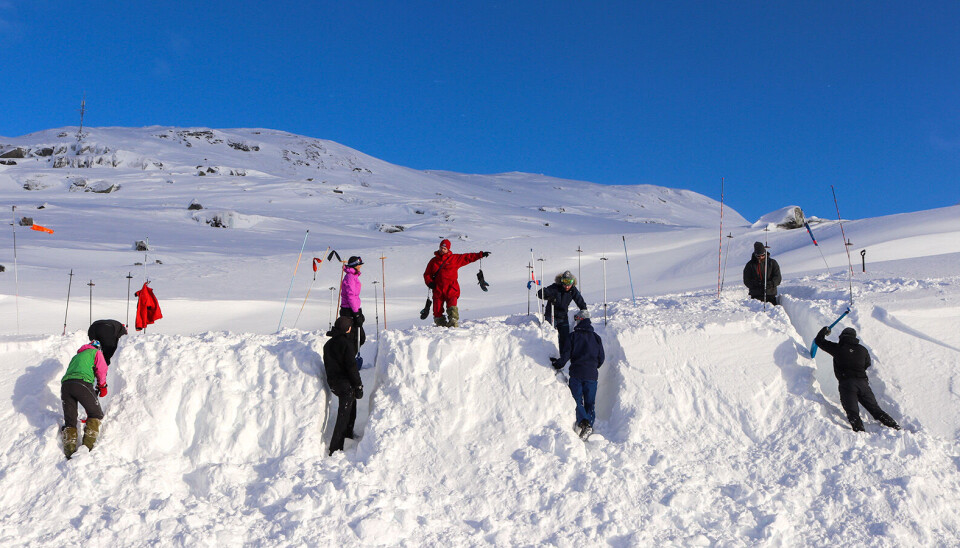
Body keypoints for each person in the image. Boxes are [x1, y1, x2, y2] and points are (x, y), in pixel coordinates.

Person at [814, 326, 901, 432]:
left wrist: (824, 331)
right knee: (875, 409)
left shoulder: (838, 348)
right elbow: (867, 364)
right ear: (854, 337)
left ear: (842, 337)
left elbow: (819, 341)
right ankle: (895, 427)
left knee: (852, 412)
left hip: (847, 384)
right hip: (863, 383)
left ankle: (860, 433)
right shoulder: (863, 350)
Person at [423, 239, 489, 327]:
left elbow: (468, 257)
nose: (442, 249)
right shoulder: (433, 261)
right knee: (437, 310)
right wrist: (429, 282)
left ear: (448, 249)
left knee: (452, 307)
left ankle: (453, 324)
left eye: (444, 248)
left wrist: (481, 255)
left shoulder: (455, 259)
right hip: (438, 288)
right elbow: (427, 274)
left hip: (451, 288)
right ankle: (440, 326)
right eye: (441, 247)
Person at [60, 339, 109, 458]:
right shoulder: (96, 353)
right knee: (96, 414)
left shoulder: (76, 356)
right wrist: (102, 385)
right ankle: (86, 450)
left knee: (70, 421)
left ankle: (69, 453)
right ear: (97, 348)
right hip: (81, 383)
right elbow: (102, 369)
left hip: (66, 386)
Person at [323, 316, 364, 455]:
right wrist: (358, 386)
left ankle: (348, 433)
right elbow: (351, 368)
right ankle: (335, 448)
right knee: (343, 415)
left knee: (351, 406)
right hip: (344, 385)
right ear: (348, 329)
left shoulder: (328, 345)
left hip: (333, 383)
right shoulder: (346, 344)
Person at [565, 310, 604, 440]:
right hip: (592, 375)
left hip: (576, 374)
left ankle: (583, 423)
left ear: (579, 320)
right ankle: (589, 426)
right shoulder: (596, 337)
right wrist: (593, 367)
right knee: (590, 402)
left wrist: (557, 364)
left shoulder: (573, 336)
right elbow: (601, 358)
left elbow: (566, 355)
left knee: (576, 400)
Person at [537, 270, 588, 367]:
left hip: (563, 316)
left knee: (565, 338)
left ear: (572, 282)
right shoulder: (555, 287)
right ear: (561, 281)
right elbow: (540, 293)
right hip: (551, 314)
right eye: (565, 283)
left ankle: (563, 360)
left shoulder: (573, 290)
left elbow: (579, 300)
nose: (567, 286)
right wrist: (546, 295)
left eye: (569, 283)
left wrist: (584, 310)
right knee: (549, 334)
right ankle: (549, 358)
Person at [339, 256, 366, 360]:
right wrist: (356, 313)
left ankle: (349, 360)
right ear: (355, 266)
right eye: (359, 265)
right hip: (349, 312)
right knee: (354, 338)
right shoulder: (350, 277)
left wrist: (358, 311)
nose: (360, 267)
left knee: (359, 337)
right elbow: (351, 296)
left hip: (353, 309)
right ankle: (348, 361)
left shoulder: (353, 276)